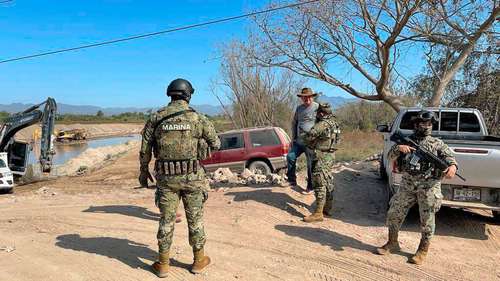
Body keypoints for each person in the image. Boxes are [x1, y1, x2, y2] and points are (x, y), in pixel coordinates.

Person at [139, 78, 220, 277]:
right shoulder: (197, 118)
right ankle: (199, 261)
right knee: (195, 220)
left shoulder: (156, 117)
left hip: (166, 179)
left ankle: (164, 264)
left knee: (166, 220)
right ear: (188, 95)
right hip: (193, 177)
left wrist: (143, 171)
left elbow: (145, 150)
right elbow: (216, 144)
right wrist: (201, 149)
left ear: (170, 94)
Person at [375, 110, 457, 265]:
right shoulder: (406, 141)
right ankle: (392, 242)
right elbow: (389, 157)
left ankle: (422, 250)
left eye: (429, 124)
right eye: (423, 123)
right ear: (416, 124)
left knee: (427, 220)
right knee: (394, 212)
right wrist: (398, 149)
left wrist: (452, 167)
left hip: (429, 187)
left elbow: (450, 159)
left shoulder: (437, 144)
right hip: (407, 184)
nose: (426, 126)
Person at [301, 103, 340, 222]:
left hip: (321, 156)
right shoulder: (334, 123)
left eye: (318, 113)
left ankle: (318, 213)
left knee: (319, 183)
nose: (316, 115)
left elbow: (309, 137)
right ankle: (327, 208)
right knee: (328, 180)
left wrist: (304, 137)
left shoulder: (321, 125)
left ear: (321, 113)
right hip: (331, 155)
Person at [287, 87, 318, 194]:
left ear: (312, 97)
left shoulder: (317, 107)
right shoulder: (299, 108)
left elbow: (323, 123)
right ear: (301, 98)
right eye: (304, 97)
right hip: (299, 141)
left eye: (308, 97)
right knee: (290, 156)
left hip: (311, 142)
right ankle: (292, 180)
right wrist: (293, 138)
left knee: (310, 164)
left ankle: (310, 186)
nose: (306, 99)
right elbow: (294, 123)